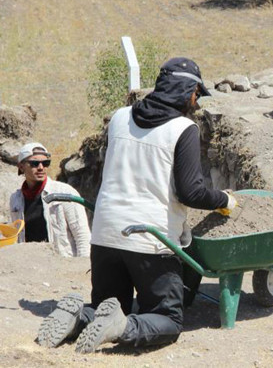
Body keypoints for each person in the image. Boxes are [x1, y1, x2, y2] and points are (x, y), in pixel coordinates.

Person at [36, 57, 238, 353]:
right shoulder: (183, 129)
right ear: (186, 90)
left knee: (110, 305)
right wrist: (224, 200)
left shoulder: (119, 117)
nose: (195, 102)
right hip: (149, 241)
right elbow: (191, 192)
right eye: (196, 94)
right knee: (167, 318)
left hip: (104, 235)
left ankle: (79, 316)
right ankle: (124, 327)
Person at [9, 142, 90, 257]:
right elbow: (18, 236)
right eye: (34, 163)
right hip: (31, 265)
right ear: (21, 167)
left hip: (61, 264)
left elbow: (82, 234)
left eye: (45, 163)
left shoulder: (64, 192)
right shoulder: (15, 199)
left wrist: (82, 266)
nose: (41, 167)